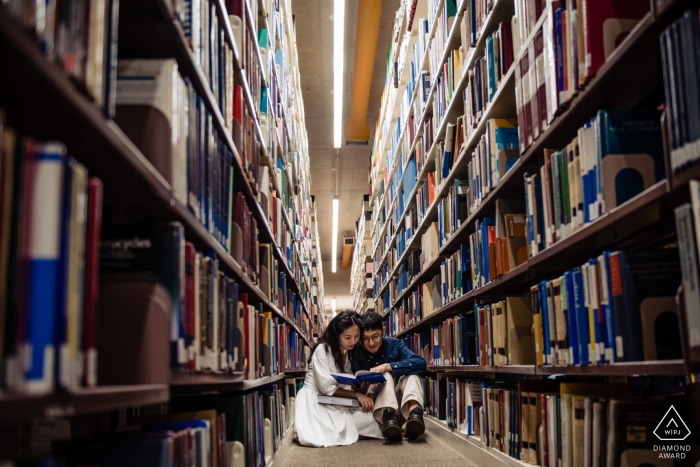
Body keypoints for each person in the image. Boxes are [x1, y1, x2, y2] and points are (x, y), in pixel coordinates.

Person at [295, 310, 384, 447]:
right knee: (353, 423)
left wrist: (357, 387)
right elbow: (327, 388)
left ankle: (358, 431)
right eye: (348, 337)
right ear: (337, 335)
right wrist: (357, 395)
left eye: (357, 336)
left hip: (332, 400)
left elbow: (342, 383)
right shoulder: (322, 350)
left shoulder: (345, 352)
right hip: (315, 401)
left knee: (374, 417)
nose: (353, 341)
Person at [351, 312, 427, 441]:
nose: (370, 343)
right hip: (372, 406)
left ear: (383, 331)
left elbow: (420, 363)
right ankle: (388, 417)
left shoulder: (395, 345)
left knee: (411, 375)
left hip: (398, 405)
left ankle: (415, 415)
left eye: (375, 336)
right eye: (365, 338)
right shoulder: (355, 352)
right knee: (385, 375)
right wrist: (358, 389)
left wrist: (388, 366)